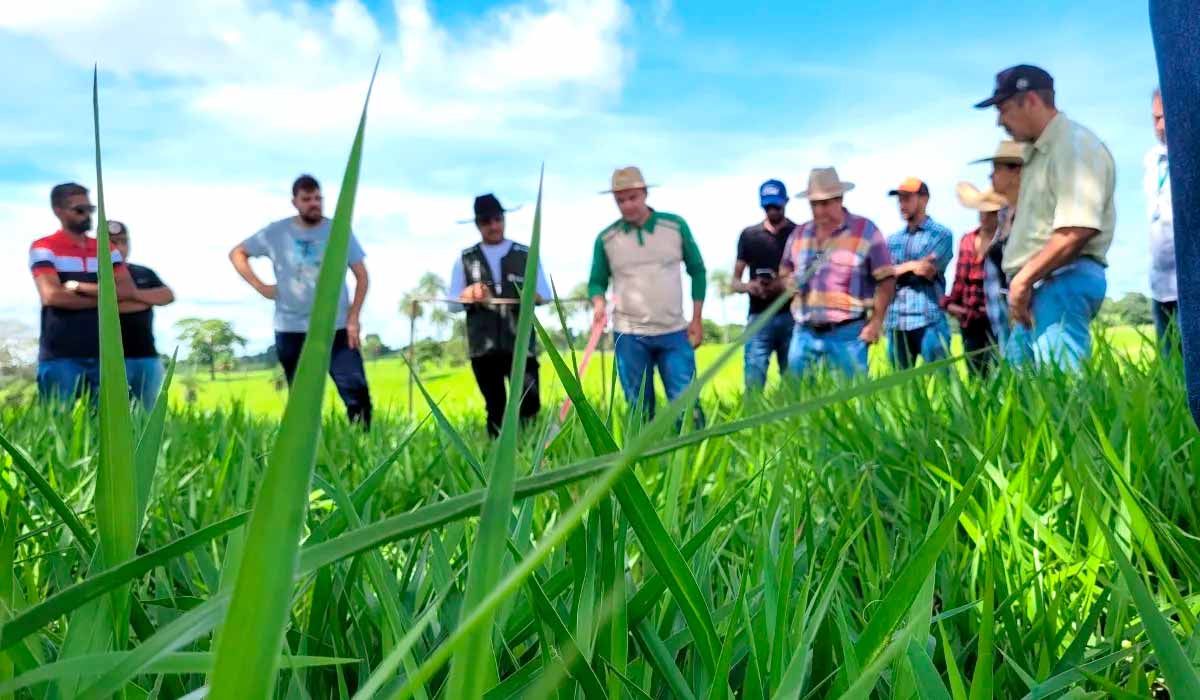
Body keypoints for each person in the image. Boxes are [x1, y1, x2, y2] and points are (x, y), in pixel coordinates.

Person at [975, 65, 1115, 370]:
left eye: (1004, 108)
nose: (1000, 121)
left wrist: (1024, 279)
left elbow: (1077, 229)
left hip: (1059, 281)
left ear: (1031, 101)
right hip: (1038, 286)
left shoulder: (1074, 146)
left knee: (1062, 398)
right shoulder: (1038, 154)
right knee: (1017, 398)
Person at [229, 174, 373, 428]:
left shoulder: (338, 230)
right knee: (301, 401)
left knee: (356, 391)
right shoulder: (277, 232)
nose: (314, 204)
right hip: (291, 329)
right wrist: (261, 287)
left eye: (318, 198)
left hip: (336, 327)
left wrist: (353, 318)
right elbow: (237, 253)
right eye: (307, 199)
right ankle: (309, 452)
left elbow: (362, 275)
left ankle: (363, 444)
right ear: (295, 201)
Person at [588, 166, 707, 427]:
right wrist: (598, 303)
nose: (627, 205)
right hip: (629, 335)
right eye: (620, 200)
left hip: (674, 331)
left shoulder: (674, 226)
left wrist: (696, 319)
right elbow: (596, 282)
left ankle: (693, 457)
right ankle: (644, 462)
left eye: (632, 198)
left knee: (686, 407)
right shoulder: (606, 239)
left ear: (644, 193)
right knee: (639, 410)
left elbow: (697, 271)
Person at [448, 193, 552, 437]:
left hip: (520, 343)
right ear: (477, 224)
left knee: (529, 401)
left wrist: (529, 295)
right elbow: (452, 304)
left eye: (497, 219)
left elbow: (544, 295)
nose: (493, 226)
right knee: (495, 407)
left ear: (503, 219)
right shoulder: (465, 258)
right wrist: (468, 294)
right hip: (483, 347)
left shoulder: (526, 253)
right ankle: (496, 456)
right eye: (486, 222)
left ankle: (530, 450)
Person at [780, 167, 895, 380]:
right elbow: (785, 269)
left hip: (849, 335)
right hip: (804, 332)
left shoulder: (866, 231)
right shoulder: (799, 234)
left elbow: (886, 279)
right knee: (796, 402)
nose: (819, 210)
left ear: (840, 199)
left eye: (825, 203)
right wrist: (788, 281)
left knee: (853, 403)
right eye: (814, 204)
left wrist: (877, 322)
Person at [29, 182, 139, 403]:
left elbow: (127, 290)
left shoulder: (107, 248)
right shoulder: (45, 247)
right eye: (80, 210)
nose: (87, 214)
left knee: (107, 428)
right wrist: (107, 299)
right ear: (58, 211)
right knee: (59, 426)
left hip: (105, 354)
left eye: (90, 209)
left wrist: (78, 290)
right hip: (61, 355)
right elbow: (52, 296)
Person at [883, 178, 954, 369]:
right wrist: (912, 266)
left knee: (942, 386)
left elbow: (928, 269)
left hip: (929, 318)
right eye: (899, 199)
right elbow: (882, 274)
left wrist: (897, 271)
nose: (901, 204)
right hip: (896, 319)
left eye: (907, 198)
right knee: (901, 390)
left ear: (924, 199)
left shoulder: (941, 234)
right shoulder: (892, 240)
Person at [732, 179, 796, 391]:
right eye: (768, 205)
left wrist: (782, 285)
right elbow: (735, 281)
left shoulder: (797, 234)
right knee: (754, 379)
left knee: (794, 382)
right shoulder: (749, 235)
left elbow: (807, 275)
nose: (772, 210)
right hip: (759, 317)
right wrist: (750, 286)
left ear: (785, 202)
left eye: (776, 205)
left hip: (791, 316)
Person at [943, 184, 1008, 377]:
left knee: (1003, 370)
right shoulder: (968, 240)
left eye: (990, 212)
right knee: (975, 373)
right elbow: (960, 279)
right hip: (970, 318)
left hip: (999, 315)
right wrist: (952, 304)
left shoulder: (1005, 240)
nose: (985, 217)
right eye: (982, 212)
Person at [109, 220, 175, 408]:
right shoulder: (89, 273)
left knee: (148, 413)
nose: (120, 247)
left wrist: (131, 294)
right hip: (109, 358)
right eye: (113, 242)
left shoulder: (143, 272)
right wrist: (145, 300)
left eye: (124, 241)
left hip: (146, 355)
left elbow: (167, 296)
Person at [970, 141, 1026, 351]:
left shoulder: (1033, 210)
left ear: (1016, 172)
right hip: (1005, 305)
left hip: (1029, 300)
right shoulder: (1005, 213)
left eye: (996, 170)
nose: (990, 176)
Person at [1146, 87, 1178, 354]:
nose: (1159, 125)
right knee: (1170, 364)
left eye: (1164, 117)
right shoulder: (1151, 159)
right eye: (1155, 118)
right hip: (1161, 281)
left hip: (1189, 278)